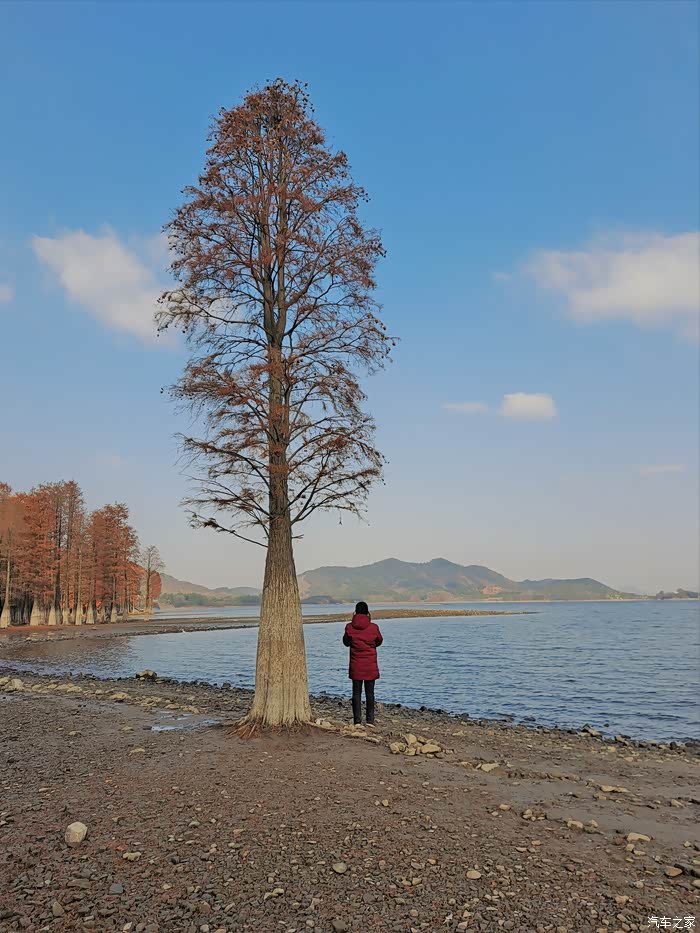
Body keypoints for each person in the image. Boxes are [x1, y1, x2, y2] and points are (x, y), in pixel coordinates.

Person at [343, 601, 383, 725]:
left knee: (356, 693)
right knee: (370, 693)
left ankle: (357, 722)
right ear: (367, 613)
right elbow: (379, 641)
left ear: (355, 612)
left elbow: (346, 642)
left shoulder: (349, 627)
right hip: (370, 665)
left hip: (356, 665)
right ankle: (370, 721)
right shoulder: (374, 627)